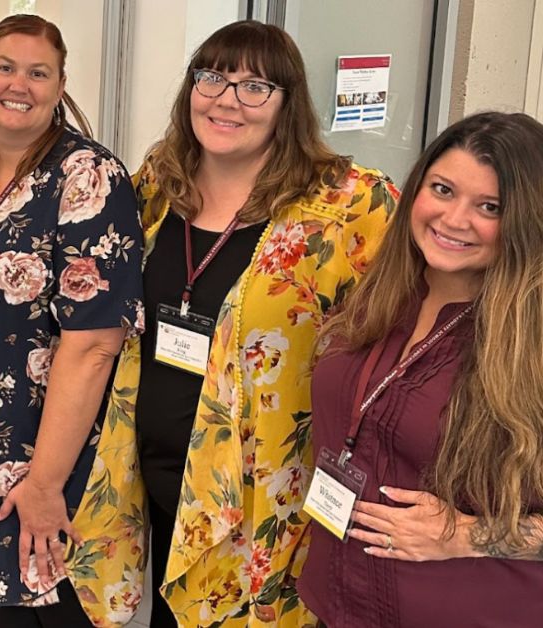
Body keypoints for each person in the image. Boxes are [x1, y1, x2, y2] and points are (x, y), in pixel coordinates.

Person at [132, 21, 397, 626]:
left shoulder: (350, 204)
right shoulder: (159, 181)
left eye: (255, 86)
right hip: (161, 470)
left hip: (267, 491)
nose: (226, 99)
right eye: (212, 78)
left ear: (288, 104)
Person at [0, 14, 147, 628]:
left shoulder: (89, 177)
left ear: (61, 84)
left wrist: (43, 484)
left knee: (37, 603)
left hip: (41, 440)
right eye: (6, 68)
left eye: (38, 73)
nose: (20, 84)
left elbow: (94, 345)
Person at [299, 111, 543, 627]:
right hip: (340, 601)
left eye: (489, 207)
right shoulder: (382, 294)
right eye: (443, 189)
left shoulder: (532, 342)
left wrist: (466, 535)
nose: (454, 219)